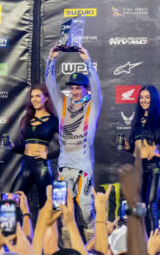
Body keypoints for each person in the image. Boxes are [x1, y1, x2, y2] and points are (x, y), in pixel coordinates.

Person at [45, 44, 102, 238]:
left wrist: (87, 60)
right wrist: (51, 59)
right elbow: (50, 83)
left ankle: (92, 248)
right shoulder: (63, 103)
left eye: (79, 88)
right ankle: (67, 249)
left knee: (86, 211)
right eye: (73, 88)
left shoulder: (92, 106)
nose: (75, 91)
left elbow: (96, 85)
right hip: (64, 167)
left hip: (84, 168)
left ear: (86, 89)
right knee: (62, 210)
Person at [121, 85, 160, 231]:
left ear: (154, 99)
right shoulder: (137, 119)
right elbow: (136, 149)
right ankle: (141, 243)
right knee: (139, 207)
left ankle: (152, 245)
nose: (143, 100)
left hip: (153, 166)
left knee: (150, 206)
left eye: (147, 97)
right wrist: (128, 148)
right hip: (137, 167)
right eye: (141, 97)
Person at [7, 86, 59, 206]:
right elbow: (23, 146)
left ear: (46, 98)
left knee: (46, 206)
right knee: (10, 201)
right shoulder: (25, 119)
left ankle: (45, 226)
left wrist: (49, 155)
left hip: (42, 167)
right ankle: (16, 225)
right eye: (32, 96)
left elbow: (66, 145)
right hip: (26, 165)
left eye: (37, 96)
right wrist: (13, 147)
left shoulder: (54, 121)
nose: (34, 99)